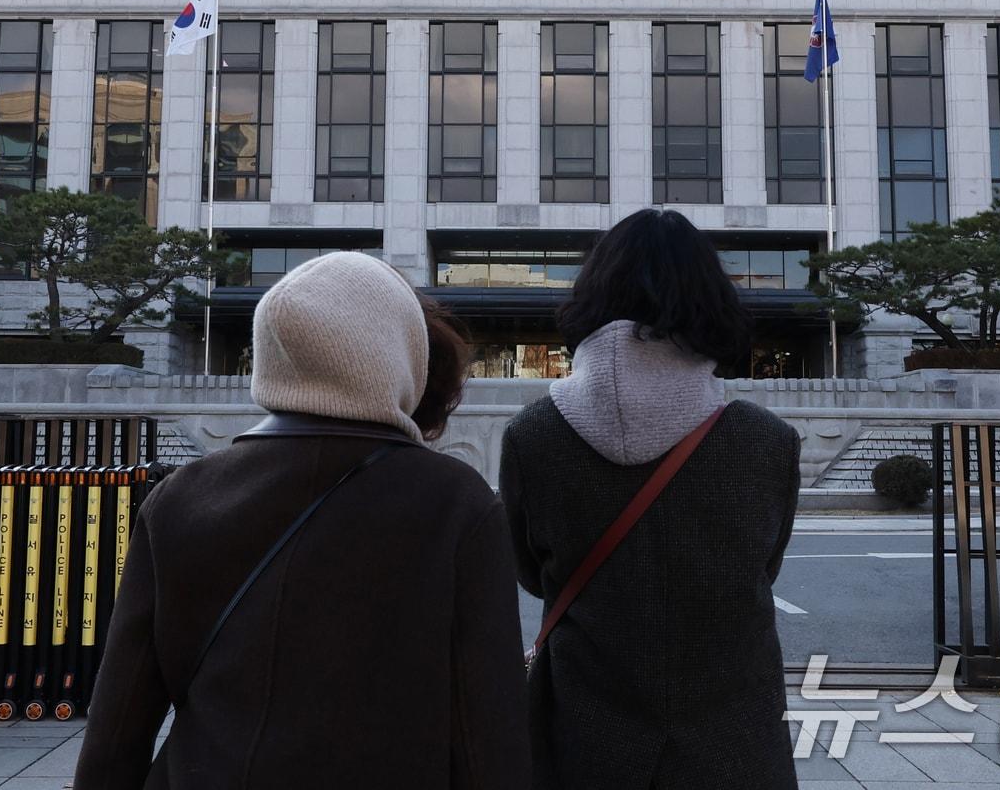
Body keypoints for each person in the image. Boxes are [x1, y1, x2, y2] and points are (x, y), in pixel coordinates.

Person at [75, 252, 530, 789]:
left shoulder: (180, 498)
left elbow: (118, 725)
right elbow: (489, 737)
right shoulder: (457, 504)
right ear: (402, 357)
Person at [500, 209, 801, 790]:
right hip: (735, 741)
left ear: (592, 297)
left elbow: (534, 577)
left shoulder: (531, 436)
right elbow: (764, 568)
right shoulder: (767, 442)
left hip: (582, 733)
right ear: (710, 301)